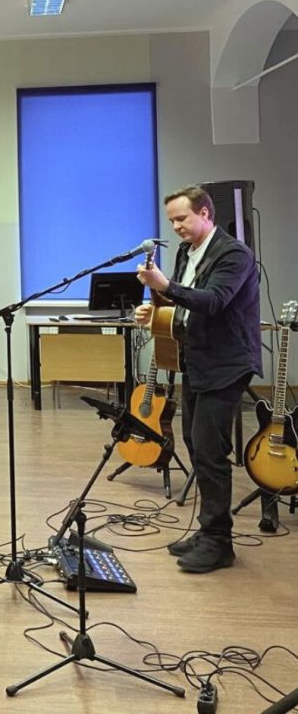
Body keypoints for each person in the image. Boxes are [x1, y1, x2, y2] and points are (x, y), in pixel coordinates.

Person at [136, 185, 262, 574]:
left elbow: (213, 300)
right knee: (194, 442)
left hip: (227, 363)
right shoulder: (186, 252)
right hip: (196, 358)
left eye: (182, 218)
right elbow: (181, 302)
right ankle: (208, 529)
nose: (176, 226)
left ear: (205, 213)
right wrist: (155, 308)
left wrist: (165, 286)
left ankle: (219, 543)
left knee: (210, 450)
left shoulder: (233, 254)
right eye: (171, 220)